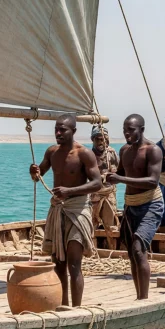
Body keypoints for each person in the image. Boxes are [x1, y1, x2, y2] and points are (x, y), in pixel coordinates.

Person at [29, 114, 103, 306]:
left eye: (63, 130)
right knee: (59, 263)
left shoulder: (84, 153)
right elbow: (39, 176)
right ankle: (62, 305)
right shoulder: (52, 152)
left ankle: (77, 308)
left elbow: (97, 183)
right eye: (56, 129)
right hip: (58, 211)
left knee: (74, 264)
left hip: (77, 211)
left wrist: (69, 191)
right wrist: (34, 172)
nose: (58, 133)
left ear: (74, 131)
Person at [105, 114, 163, 300]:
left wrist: (120, 179)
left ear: (142, 129)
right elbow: (121, 172)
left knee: (138, 248)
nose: (127, 133)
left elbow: (153, 181)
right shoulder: (125, 151)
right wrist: (108, 176)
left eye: (131, 130)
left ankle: (144, 299)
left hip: (151, 204)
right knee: (131, 252)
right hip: (131, 205)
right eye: (124, 130)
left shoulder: (153, 150)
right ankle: (139, 296)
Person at [89, 126, 120, 241]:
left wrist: (110, 174)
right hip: (93, 195)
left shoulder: (112, 154)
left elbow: (120, 171)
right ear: (92, 140)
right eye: (97, 139)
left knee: (111, 226)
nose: (101, 142)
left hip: (108, 194)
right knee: (90, 225)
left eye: (103, 139)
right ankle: (90, 251)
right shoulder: (88, 155)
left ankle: (112, 249)